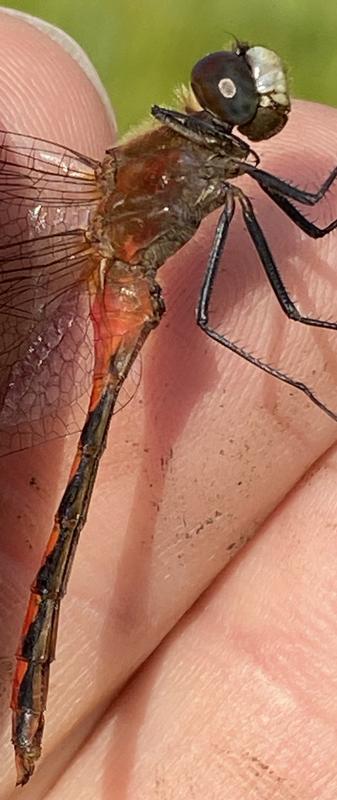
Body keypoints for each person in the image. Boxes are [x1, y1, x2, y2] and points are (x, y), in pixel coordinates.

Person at [1, 9, 337, 797]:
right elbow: (309, 225)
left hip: (114, 270)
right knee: (285, 318)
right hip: (116, 286)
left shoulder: (193, 160)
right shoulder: (212, 169)